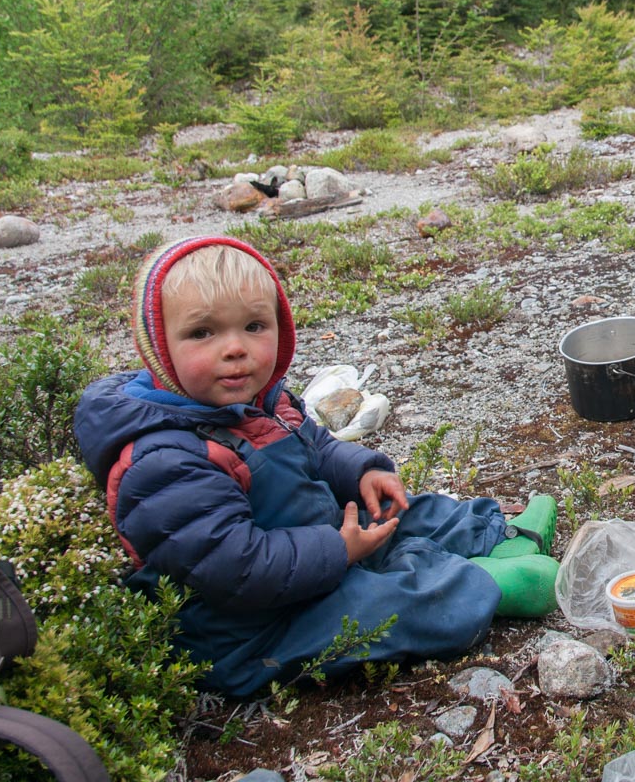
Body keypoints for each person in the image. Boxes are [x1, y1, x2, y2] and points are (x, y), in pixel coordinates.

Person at [74, 235, 559, 696]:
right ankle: (491, 585)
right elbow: (237, 568)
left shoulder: (262, 401)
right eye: (202, 332)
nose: (235, 347)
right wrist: (338, 551)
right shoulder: (164, 459)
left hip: (317, 545)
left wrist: (364, 470)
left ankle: (501, 538)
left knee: (399, 506)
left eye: (254, 326)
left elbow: (319, 449)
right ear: (159, 350)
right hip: (251, 626)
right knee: (379, 606)